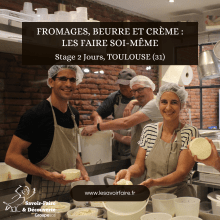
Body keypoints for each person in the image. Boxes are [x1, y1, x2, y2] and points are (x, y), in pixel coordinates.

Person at [5, 65, 89, 202]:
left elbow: (72, 148)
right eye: (63, 79)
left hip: (68, 188)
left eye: (72, 80)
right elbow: (11, 156)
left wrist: (80, 167)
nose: (68, 84)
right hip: (40, 189)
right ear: (51, 82)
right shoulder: (35, 115)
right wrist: (48, 174)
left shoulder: (74, 114)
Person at [114, 83, 199, 197]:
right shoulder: (149, 130)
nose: (168, 107)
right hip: (152, 197)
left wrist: (155, 182)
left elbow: (181, 173)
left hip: (180, 198)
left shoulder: (190, 132)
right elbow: (139, 167)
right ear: (158, 104)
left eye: (174, 102)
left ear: (181, 105)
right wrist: (128, 171)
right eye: (164, 102)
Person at [81, 75, 163, 183]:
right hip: (137, 162)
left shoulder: (156, 104)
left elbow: (126, 122)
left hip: (153, 162)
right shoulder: (138, 106)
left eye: (140, 90)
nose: (137, 94)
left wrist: (97, 127)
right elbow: (133, 139)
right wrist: (112, 134)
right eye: (134, 91)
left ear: (151, 88)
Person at [90, 68, 136, 161]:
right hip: (117, 149)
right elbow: (95, 114)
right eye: (120, 84)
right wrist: (98, 125)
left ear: (133, 84)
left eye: (126, 84)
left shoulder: (141, 97)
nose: (122, 86)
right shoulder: (115, 97)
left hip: (136, 147)